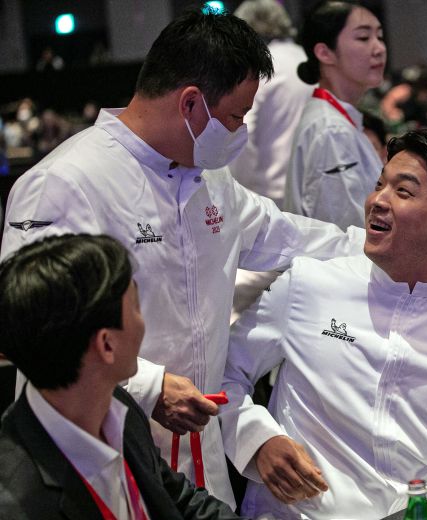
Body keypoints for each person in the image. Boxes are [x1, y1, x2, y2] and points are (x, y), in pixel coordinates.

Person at [1, 10, 361, 508]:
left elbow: (289, 235)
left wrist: (384, 248)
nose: (240, 130)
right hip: (97, 452)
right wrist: (150, 387)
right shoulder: (63, 182)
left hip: (200, 455)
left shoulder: (209, 179)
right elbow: (31, 327)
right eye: (235, 116)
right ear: (191, 103)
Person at [221, 129, 427, 519]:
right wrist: (257, 440)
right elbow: (223, 375)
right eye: (379, 184)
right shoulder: (310, 282)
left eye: (402, 192)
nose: (377, 201)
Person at [0, 234, 244, 519]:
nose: (143, 323)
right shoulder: (17, 504)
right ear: (106, 345)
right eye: (137, 308)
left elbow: (175, 498)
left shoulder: (116, 406)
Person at [229, 0, 313, 320]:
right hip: (308, 196)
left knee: (235, 305)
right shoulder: (306, 60)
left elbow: (241, 136)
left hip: (268, 199)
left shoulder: (259, 69)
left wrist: (232, 194)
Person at [283, 0, 386, 230]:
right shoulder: (331, 130)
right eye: (363, 38)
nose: (379, 48)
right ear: (324, 52)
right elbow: (347, 230)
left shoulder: (335, 119)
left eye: (380, 36)